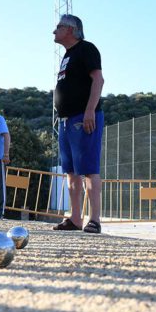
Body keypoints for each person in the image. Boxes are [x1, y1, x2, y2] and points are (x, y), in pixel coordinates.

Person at [52, 14, 105, 233]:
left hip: (82, 118)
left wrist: (90, 110)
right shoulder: (67, 55)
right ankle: (75, 218)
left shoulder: (86, 48)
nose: (54, 31)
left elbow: (98, 79)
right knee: (71, 171)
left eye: (58, 27)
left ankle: (94, 219)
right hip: (65, 121)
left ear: (71, 30)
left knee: (89, 169)